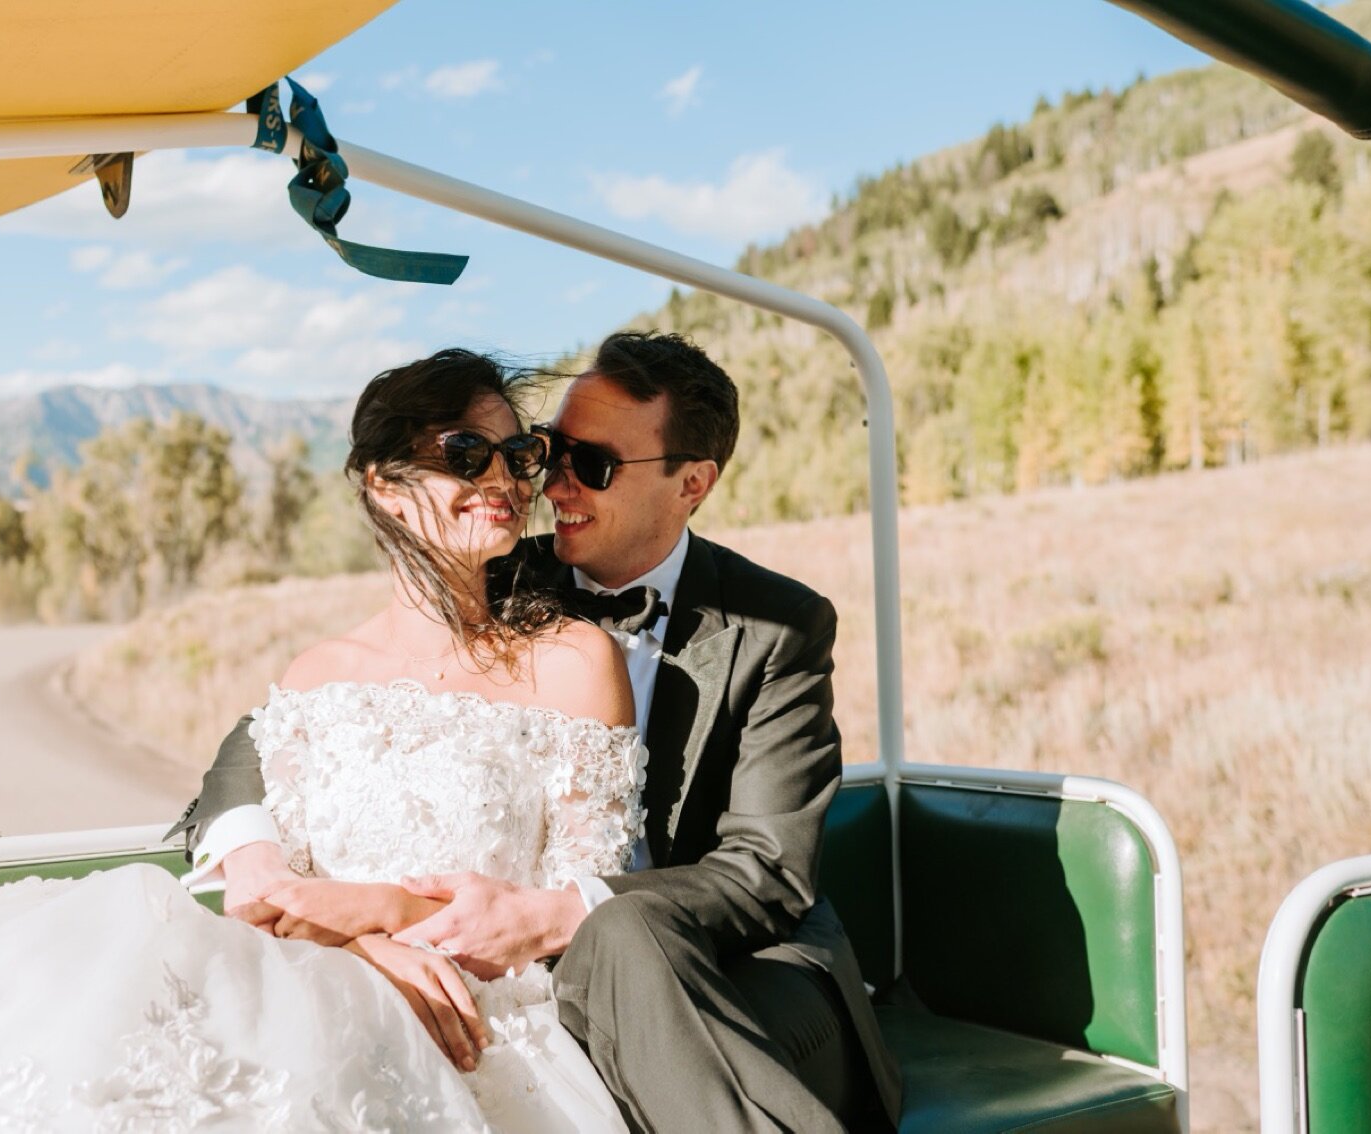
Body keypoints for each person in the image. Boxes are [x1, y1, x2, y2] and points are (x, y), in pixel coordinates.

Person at [0, 349, 647, 1133]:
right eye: (466, 452)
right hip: (321, 980)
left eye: (516, 455)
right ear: (386, 486)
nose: (502, 480)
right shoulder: (317, 675)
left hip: (479, 1024)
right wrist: (359, 947)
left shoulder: (572, 663)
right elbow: (270, 896)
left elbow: (568, 914)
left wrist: (378, 913)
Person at [175, 331, 903, 1132]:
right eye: (547, 453)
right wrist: (259, 866)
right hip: (531, 982)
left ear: (691, 482)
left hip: (735, 972)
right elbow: (266, 739)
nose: (549, 484)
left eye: (591, 466)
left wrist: (562, 913)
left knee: (623, 937)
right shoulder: (490, 571)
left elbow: (766, 874)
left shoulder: (778, 625)